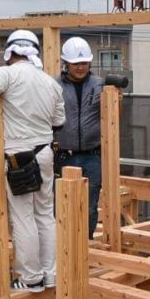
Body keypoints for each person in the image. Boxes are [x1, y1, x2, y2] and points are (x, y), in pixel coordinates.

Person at [0, 29, 66, 293]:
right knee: (45, 214)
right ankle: (51, 274)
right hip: (44, 153)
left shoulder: (6, 74)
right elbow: (59, 123)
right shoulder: (50, 83)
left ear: (10, 52)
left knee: (23, 217)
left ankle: (31, 278)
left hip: (18, 156)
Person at [53, 36, 106, 240]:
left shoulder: (99, 85)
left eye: (84, 63)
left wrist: (115, 99)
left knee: (90, 204)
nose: (80, 67)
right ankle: (62, 245)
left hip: (92, 155)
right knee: (61, 204)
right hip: (63, 155)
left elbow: (112, 117)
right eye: (76, 63)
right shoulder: (54, 85)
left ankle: (86, 243)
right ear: (66, 63)